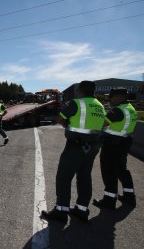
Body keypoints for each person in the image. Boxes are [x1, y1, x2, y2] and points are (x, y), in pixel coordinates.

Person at [41, 80, 105, 223]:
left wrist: (66, 124)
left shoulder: (77, 103)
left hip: (75, 147)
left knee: (64, 177)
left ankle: (61, 211)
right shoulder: (100, 106)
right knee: (84, 177)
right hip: (93, 147)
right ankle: (81, 210)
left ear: (80, 91)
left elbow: (60, 118)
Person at [93, 88, 138, 209]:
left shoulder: (117, 111)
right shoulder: (130, 108)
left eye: (111, 97)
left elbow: (102, 124)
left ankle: (109, 199)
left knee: (108, 171)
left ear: (119, 97)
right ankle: (129, 196)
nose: (109, 99)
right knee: (121, 169)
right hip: (125, 141)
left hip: (113, 143)